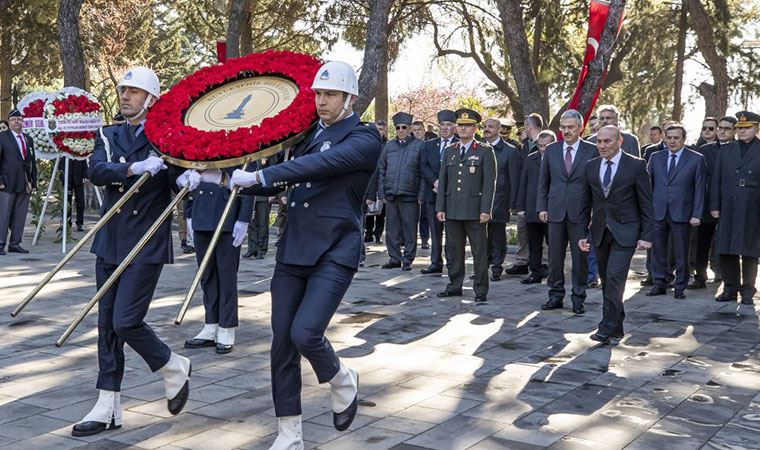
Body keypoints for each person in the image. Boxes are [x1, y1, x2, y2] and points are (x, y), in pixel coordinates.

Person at [227, 61, 382, 448]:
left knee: (305, 333)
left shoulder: (364, 138)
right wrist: (230, 178)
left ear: (350, 99)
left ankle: (342, 377)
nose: (322, 101)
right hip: (294, 249)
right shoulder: (306, 134)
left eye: (330, 94)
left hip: (334, 250)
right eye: (318, 94)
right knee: (282, 343)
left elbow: (319, 165)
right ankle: (289, 433)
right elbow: (284, 173)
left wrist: (264, 176)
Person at [72, 67, 191, 437]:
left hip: (147, 241)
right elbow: (97, 170)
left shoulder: (165, 138)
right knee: (107, 326)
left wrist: (186, 176)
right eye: (124, 90)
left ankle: (171, 365)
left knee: (126, 321)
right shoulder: (108, 134)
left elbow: (177, 178)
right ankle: (108, 405)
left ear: (152, 99)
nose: (125, 96)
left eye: (135, 91)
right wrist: (133, 168)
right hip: (111, 239)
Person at [578, 125, 653, 344]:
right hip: (600, 232)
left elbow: (646, 203)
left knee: (614, 277)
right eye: (599, 142)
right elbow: (585, 202)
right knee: (607, 280)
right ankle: (617, 326)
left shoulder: (636, 165)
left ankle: (605, 327)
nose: (601, 146)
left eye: (607, 141)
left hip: (627, 231)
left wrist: (647, 234)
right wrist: (583, 232)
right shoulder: (590, 167)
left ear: (619, 141)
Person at [179, 167, 252, 353]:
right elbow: (190, 179)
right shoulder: (198, 141)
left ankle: (226, 328)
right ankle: (211, 325)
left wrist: (243, 219)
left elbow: (247, 180)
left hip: (226, 214)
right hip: (200, 212)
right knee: (207, 275)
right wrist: (188, 214)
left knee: (226, 277)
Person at [537, 109, 598, 314]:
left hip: (580, 213)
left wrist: (593, 213)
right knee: (555, 258)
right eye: (563, 127)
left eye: (571, 127)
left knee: (580, 260)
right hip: (555, 211)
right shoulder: (552, 150)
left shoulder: (591, 150)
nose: (566, 131)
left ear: (581, 128)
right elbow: (543, 181)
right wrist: (542, 207)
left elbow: (596, 185)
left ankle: (578, 298)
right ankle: (555, 295)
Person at [436, 108, 496, 302]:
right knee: (454, 251)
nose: (463, 129)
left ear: (474, 129)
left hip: (474, 211)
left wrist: (486, 209)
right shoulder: (449, 151)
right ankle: (454, 285)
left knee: (479, 252)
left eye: (467, 126)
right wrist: (440, 207)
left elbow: (489, 183)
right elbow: (443, 181)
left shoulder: (484, 151)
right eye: (460, 125)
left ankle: (480, 290)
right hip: (452, 209)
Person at [646, 124, 705, 299]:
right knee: (657, 250)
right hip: (658, 212)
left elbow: (700, 188)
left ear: (683, 139)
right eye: (669, 137)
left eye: (676, 138)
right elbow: (648, 186)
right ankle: (659, 283)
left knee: (681, 252)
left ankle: (680, 286)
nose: (672, 141)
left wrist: (697, 213)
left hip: (683, 212)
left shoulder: (696, 158)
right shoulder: (656, 157)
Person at [710, 111, 760, 305]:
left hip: (752, 205)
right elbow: (717, 179)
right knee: (726, 249)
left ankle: (747, 291)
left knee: (749, 250)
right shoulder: (727, 150)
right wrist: (714, 205)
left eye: (747, 128)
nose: (742, 131)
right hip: (728, 204)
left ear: (756, 129)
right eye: (740, 128)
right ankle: (730, 289)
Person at [690, 116, 736, 288]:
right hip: (706, 203)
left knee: (725, 242)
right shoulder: (705, 150)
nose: (722, 131)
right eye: (720, 128)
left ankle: (723, 274)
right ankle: (700, 277)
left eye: (727, 128)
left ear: (734, 131)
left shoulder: (738, 150)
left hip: (729, 204)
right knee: (702, 241)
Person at [377, 111, 425, 271]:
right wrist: (381, 193)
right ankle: (394, 258)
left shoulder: (419, 146)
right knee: (391, 230)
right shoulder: (389, 146)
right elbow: (381, 170)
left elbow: (424, 172)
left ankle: (408, 259)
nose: (401, 130)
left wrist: (420, 194)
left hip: (410, 195)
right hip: (391, 195)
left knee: (410, 230)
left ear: (410, 128)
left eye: (404, 127)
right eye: (398, 127)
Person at [482, 117, 521, 281]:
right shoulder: (478, 148)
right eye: (485, 126)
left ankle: (497, 268)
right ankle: (482, 267)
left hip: (500, 200)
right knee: (481, 237)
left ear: (499, 129)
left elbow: (514, 179)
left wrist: (512, 203)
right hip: (480, 201)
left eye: (491, 126)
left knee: (497, 237)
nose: (487, 129)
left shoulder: (510, 151)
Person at [420, 109, 457, 274]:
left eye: (449, 124)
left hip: (453, 195)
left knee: (452, 231)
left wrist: (446, 184)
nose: (444, 128)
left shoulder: (460, 144)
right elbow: (423, 165)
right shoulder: (429, 145)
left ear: (454, 127)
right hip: (433, 192)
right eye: (442, 124)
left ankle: (452, 263)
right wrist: (435, 181)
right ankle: (435, 263)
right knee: (434, 230)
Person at [516, 130, 555, 284]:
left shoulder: (558, 158)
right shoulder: (531, 159)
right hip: (532, 208)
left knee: (554, 244)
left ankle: (553, 273)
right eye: (540, 145)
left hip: (552, 208)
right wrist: (520, 207)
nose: (543, 148)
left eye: (546, 145)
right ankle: (535, 273)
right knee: (534, 244)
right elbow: (523, 183)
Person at [507, 112, 543, 275]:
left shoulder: (546, 142)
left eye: (525, 127)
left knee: (542, 232)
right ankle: (522, 261)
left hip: (541, 194)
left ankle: (543, 263)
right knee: (523, 229)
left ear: (530, 127)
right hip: (526, 194)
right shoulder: (524, 146)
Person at [0, 109, 36, 255]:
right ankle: (1, 243)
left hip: (24, 183)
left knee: (20, 215)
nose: (17, 122)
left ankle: (15, 243)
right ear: (9, 122)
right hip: (7, 183)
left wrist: (33, 182)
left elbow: (32, 161)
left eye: (19, 119)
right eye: (14, 119)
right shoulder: (2, 137)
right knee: (4, 215)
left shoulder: (28, 139)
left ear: (23, 122)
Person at [245, 156, 275, 259]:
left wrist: (272, 191)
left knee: (263, 222)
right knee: (252, 222)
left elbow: (273, 169)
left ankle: (261, 248)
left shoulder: (269, 150)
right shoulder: (252, 151)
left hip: (263, 191)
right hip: (251, 190)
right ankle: (251, 248)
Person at [364, 120, 387, 244]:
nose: (379, 131)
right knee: (369, 210)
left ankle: (378, 233)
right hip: (370, 180)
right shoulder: (368, 144)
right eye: (377, 128)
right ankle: (368, 233)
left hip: (382, 180)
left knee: (381, 212)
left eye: (381, 129)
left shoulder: (388, 145)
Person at [58, 159, 88, 232]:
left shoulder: (80, 149)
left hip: (79, 178)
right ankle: (66, 223)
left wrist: (85, 176)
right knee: (66, 202)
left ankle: (80, 223)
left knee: (80, 201)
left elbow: (84, 160)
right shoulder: (64, 149)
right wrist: (61, 177)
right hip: (67, 178)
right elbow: (60, 163)